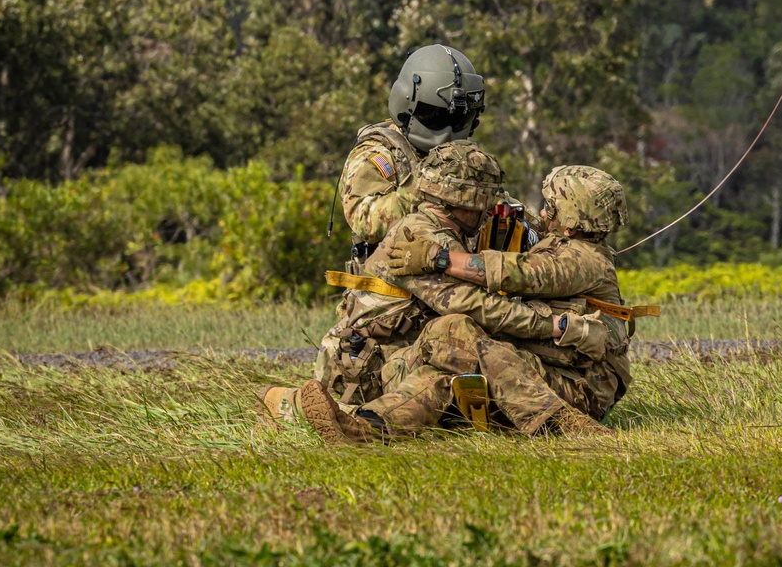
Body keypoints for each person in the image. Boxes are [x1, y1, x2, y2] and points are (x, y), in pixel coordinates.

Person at [258, 143, 610, 442]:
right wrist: (552, 326)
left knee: (447, 371)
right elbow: (475, 308)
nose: (489, 210)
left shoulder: (449, 229)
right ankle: (557, 422)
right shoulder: (418, 236)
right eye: (482, 203)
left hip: (407, 353)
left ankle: (362, 430)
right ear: (461, 200)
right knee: (453, 331)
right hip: (369, 366)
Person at [383, 164, 633, 423]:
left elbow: (517, 273)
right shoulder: (569, 242)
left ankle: (561, 422)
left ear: (570, 221)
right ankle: (371, 424)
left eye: (551, 207)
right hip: (558, 370)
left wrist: (438, 258)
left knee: (453, 331)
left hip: (583, 389)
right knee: (435, 375)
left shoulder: (583, 262)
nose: (545, 213)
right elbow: (531, 225)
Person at [338, 44, 485, 267]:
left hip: (451, 281)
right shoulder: (378, 153)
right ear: (405, 104)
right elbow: (366, 219)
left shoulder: (461, 156)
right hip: (390, 292)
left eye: (456, 120)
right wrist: (429, 187)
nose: (446, 131)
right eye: (433, 116)